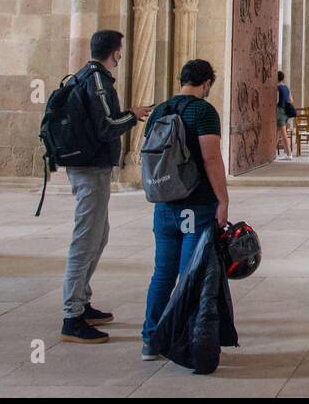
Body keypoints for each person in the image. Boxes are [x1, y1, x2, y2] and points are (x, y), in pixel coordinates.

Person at [61, 30, 154, 344]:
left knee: (99, 235)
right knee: (86, 239)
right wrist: (133, 114)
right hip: (90, 168)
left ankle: (82, 301)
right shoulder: (98, 80)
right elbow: (106, 126)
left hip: (89, 167)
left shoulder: (86, 76)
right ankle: (72, 316)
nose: (120, 55)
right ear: (116, 52)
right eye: (120, 50)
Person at [141, 59, 230, 361]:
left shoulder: (160, 111)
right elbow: (211, 159)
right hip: (196, 205)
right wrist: (223, 200)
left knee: (162, 273)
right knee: (189, 274)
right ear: (206, 84)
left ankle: (151, 339)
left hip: (165, 204)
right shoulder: (203, 111)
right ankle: (185, 340)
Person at [275, 70, 294, 161]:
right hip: (286, 112)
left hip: (280, 111)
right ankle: (272, 153)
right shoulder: (286, 87)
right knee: (278, 133)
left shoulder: (277, 87)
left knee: (283, 134)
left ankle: (289, 154)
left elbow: (277, 101)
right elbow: (291, 100)